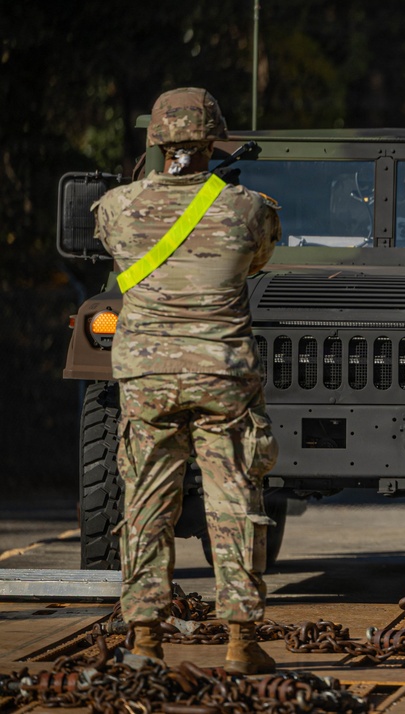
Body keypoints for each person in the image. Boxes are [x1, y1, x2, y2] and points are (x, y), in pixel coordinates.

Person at [93, 87, 281, 674]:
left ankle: (145, 638)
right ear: (213, 141)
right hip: (221, 374)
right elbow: (256, 263)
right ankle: (241, 643)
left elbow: (117, 258)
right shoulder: (248, 209)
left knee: (146, 503)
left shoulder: (116, 208)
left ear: (155, 138)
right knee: (234, 502)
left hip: (147, 377)